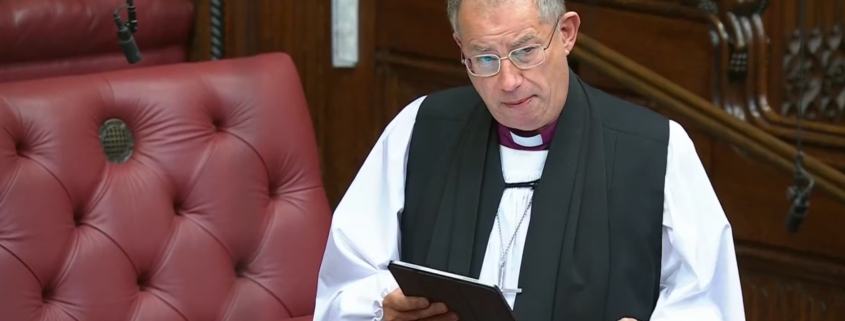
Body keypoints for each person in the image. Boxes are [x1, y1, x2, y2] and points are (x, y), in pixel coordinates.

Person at [313, 0, 746, 320]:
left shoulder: (657, 150)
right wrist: (383, 308)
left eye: (524, 51)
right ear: (459, 48)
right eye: (483, 58)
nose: (508, 82)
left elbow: (710, 304)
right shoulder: (419, 129)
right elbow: (344, 284)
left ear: (566, 33)